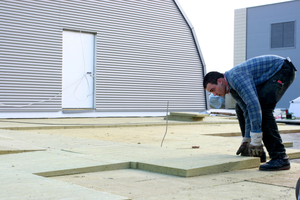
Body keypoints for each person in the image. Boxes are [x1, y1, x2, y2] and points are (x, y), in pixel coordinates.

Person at [203, 55, 297, 171]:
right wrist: (247, 140)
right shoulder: (232, 90)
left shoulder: (235, 78)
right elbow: (246, 111)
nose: (214, 94)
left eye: (213, 90)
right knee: (240, 108)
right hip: (271, 75)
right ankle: (256, 152)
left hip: (282, 70)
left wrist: (256, 139)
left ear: (220, 81)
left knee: (263, 108)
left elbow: (253, 105)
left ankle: (280, 157)